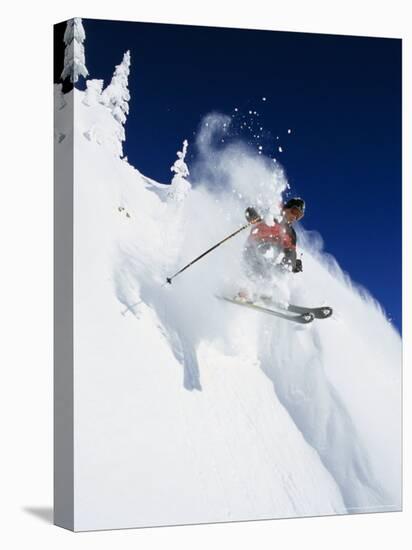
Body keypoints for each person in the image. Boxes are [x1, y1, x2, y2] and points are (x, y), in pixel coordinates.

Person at [238, 197, 305, 300]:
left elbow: (290, 250)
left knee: (287, 258)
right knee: (269, 250)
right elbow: (250, 210)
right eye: (294, 211)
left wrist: (294, 263)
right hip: (253, 250)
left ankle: (266, 292)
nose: (294, 216)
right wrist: (252, 214)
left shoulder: (290, 233)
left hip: (270, 261)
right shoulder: (272, 212)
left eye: (298, 216)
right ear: (287, 208)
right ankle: (247, 289)